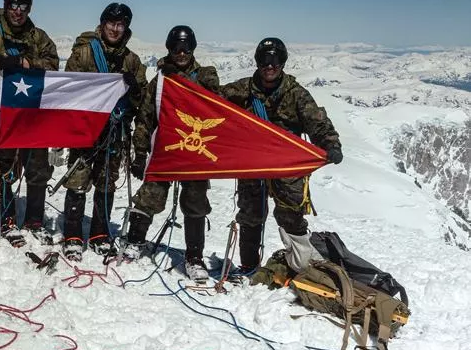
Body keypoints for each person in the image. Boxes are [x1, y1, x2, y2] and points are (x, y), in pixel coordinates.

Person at [218, 37, 342, 273]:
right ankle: (249, 266)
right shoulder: (242, 90)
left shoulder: (295, 94)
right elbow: (209, 100)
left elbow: (317, 122)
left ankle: (301, 267)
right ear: (257, 62)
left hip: (287, 167)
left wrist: (330, 144)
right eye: (265, 60)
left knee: (291, 215)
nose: (270, 65)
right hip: (253, 165)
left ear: (283, 63)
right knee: (251, 215)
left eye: (275, 60)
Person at [126, 25, 219, 280]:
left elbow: (212, 100)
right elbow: (145, 120)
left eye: (186, 48)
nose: (181, 53)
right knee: (149, 197)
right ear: (169, 49)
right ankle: (135, 242)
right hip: (165, 150)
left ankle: (194, 257)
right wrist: (141, 154)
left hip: (194, 151)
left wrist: (179, 80)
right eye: (176, 48)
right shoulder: (159, 82)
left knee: (195, 203)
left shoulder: (206, 76)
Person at [0, 0, 59, 246]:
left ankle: (34, 220)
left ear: (29, 8)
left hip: (33, 114)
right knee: (4, 166)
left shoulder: (39, 38)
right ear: (5, 4)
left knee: (37, 168)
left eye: (22, 5)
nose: (17, 11)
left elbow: (54, 66)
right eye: (12, 4)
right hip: (3, 114)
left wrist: (25, 63)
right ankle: (7, 217)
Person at [60, 3, 147, 260]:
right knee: (78, 180)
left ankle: (99, 233)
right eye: (111, 23)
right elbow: (68, 88)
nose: (115, 28)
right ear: (102, 23)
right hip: (85, 130)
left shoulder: (132, 61)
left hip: (114, 132)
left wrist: (134, 88)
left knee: (106, 183)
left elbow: (140, 100)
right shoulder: (85, 54)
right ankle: (73, 235)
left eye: (121, 25)